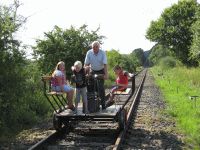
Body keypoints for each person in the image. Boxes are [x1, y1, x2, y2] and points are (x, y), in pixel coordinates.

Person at [84, 41, 108, 110]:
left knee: (100, 87)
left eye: (96, 47)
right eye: (93, 47)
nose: (95, 48)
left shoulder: (102, 52)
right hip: (92, 70)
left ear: (99, 47)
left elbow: (105, 64)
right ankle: (93, 104)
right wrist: (86, 73)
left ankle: (103, 104)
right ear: (92, 47)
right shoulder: (89, 52)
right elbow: (86, 64)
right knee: (90, 87)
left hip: (101, 70)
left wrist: (106, 75)